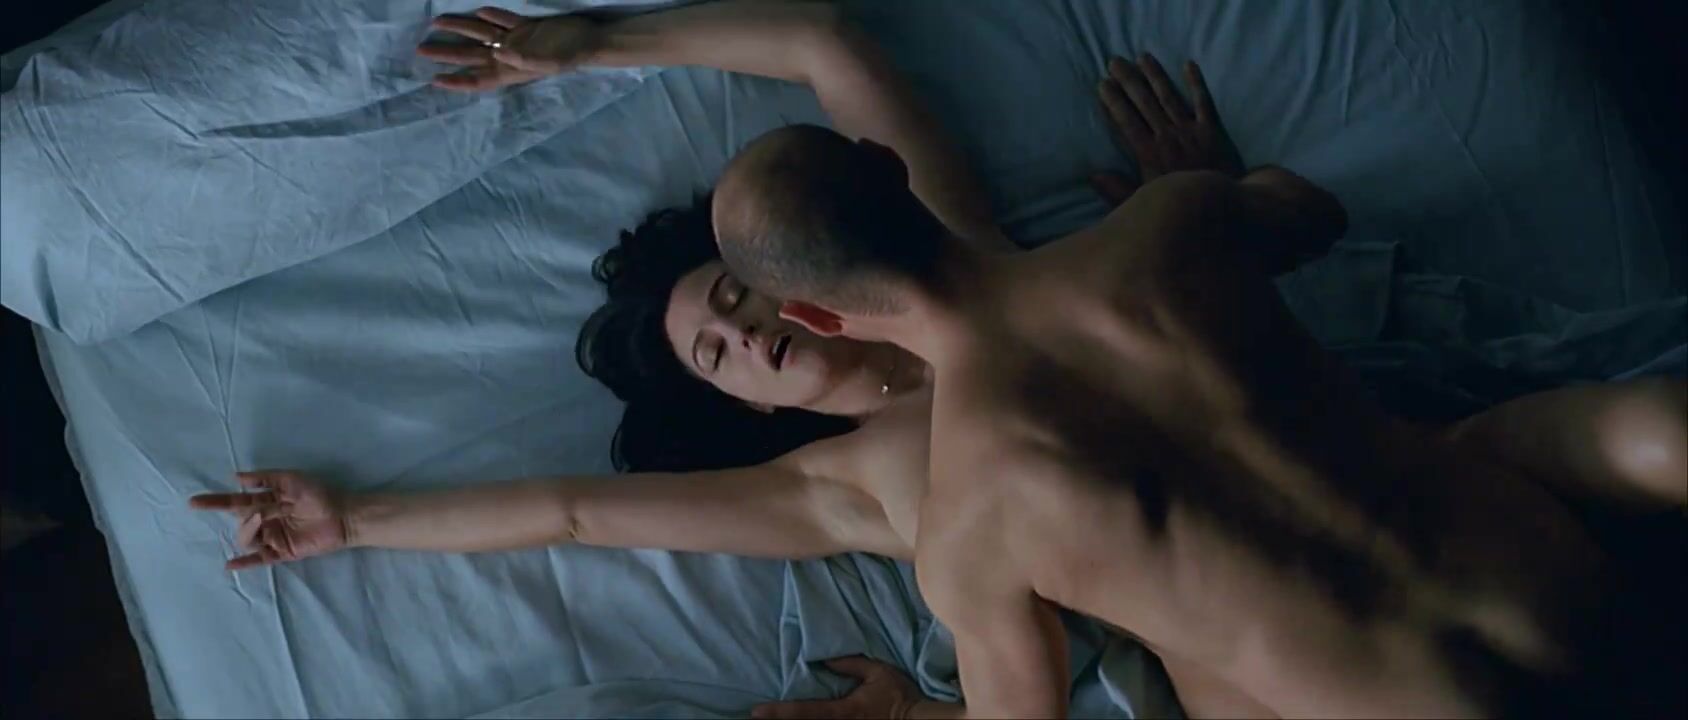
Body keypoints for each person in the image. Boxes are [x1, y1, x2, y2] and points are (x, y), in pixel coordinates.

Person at [192, 4, 1687, 719]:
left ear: (823, 304)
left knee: (1589, 433)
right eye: (722, 354)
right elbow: (574, 513)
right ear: (753, 402)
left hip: (1441, 543)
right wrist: (356, 520)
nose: (747, 332)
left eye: (735, 298)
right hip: (1444, 593)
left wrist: (590, 44)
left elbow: (827, 44)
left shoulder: (978, 500)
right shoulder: (867, 483)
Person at [704, 25, 1687, 717]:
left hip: (1403, 701)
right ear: (887, 166)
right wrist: (1202, 186)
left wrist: (908, 712)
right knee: (1534, 436)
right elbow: (1312, 216)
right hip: (1550, 576)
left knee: (1191, 668)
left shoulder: (967, 530)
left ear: (816, 315)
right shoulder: (1167, 229)